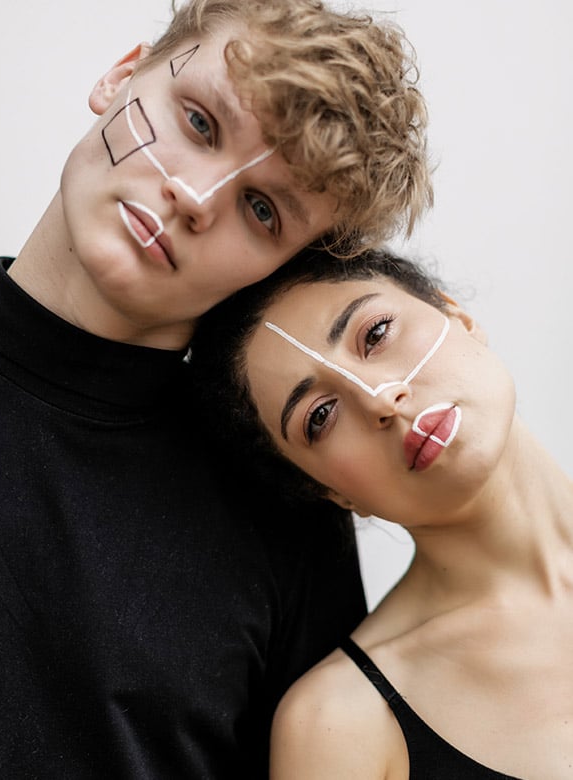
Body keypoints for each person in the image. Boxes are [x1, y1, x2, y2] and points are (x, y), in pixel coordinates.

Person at [0, 1, 433, 777]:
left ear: (279, 272)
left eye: (262, 210)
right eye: (201, 123)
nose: (197, 196)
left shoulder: (283, 511)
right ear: (120, 76)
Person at [190, 247, 573, 779]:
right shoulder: (340, 726)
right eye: (320, 417)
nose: (380, 399)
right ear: (329, 491)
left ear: (456, 315)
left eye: (375, 334)